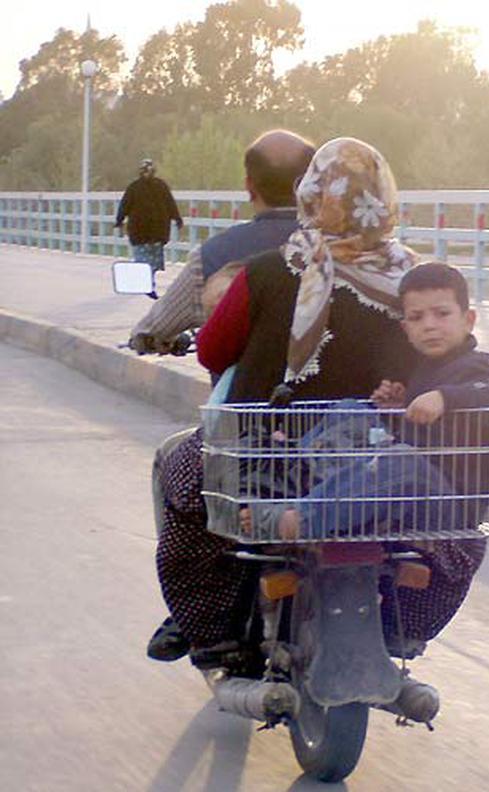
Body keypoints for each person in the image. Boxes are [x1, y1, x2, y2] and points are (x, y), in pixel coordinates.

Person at [154, 137, 420, 668]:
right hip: (377, 456)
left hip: (265, 450)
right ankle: (402, 625)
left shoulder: (269, 270)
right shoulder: (415, 280)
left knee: (186, 487)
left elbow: (211, 348)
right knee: (443, 529)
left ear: (313, 196)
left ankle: (210, 631)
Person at [237, 262, 489, 548]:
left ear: (468, 320)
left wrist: (444, 397)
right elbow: (416, 432)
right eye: (417, 317)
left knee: (401, 460)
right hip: (403, 491)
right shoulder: (422, 369)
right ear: (405, 327)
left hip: (448, 505)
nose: (429, 325)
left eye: (442, 314)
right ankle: (293, 477)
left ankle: (301, 520)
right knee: (351, 410)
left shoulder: (478, 365)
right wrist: (397, 410)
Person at [128, 131, 316, 359]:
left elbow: (153, 330)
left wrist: (146, 340)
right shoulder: (353, 249)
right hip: (351, 393)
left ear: (249, 186)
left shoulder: (212, 256)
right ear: (314, 183)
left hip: (248, 393)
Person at [115, 159, 183, 296]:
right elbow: (170, 204)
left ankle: (146, 284)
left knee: (143, 259)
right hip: (156, 231)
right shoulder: (160, 186)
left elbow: (124, 206)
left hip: (141, 231)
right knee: (150, 260)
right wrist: (177, 218)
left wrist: (119, 221)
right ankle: (147, 284)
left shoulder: (134, 187)